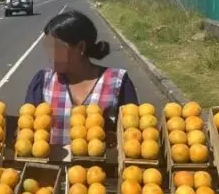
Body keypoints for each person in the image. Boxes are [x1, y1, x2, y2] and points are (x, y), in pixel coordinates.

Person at [25, 10, 139, 146]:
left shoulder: (118, 82)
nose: (50, 54)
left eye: (57, 47)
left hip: (100, 167)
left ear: (80, 47)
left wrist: (113, 138)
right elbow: (27, 130)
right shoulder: (43, 82)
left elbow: (133, 133)